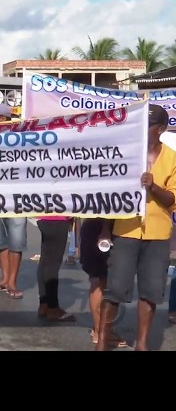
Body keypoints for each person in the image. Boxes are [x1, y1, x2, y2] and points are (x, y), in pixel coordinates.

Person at [96, 104, 176, 351]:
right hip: (126, 231)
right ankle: (101, 342)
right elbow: (111, 195)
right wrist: (106, 229)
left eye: (149, 125)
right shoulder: (125, 154)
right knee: (115, 289)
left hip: (158, 235)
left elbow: (172, 200)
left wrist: (153, 186)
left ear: (160, 129)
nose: (143, 129)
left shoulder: (172, 159)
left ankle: (142, 343)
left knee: (151, 292)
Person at [0, 103, 27, 299]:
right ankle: (4, 278)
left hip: (17, 195)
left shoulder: (22, 137)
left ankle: (12, 281)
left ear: (1, 119)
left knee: (16, 238)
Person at [79, 218, 128, 347]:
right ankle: (99, 330)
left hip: (96, 227)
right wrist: (105, 229)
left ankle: (99, 329)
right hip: (100, 229)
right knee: (100, 281)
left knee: (100, 280)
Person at [35, 216, 76, 321]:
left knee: (45, 261)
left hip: (44, 217)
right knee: (52, 264)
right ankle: (53, 308)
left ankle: (44, 303)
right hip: (58, 218)